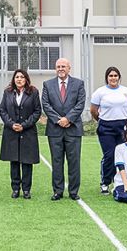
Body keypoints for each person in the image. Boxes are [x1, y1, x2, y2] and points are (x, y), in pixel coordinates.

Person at [41, 57, 86, 201]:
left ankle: (73, 191)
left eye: (63, 66)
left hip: (73, 129)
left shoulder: (78, 84)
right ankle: (58, 191)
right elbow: (45, 104)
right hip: (55, 130)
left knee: (74, 162)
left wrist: (68, 119)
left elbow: (80, 104)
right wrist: (58, 120)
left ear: (69, 68)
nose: (60, 69)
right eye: (58, 66)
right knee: (56, 161)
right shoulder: (47, 84)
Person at [0, 69, 41, 199]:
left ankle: (26, 189)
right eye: (17, 77)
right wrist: (11, 124)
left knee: (27, 162)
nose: (19, 79)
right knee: (14, 161)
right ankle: (15, 188)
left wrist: (24, 125)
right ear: (14, 79)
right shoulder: (7, 92)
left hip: (28, 132)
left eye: (22, 77)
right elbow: (2, 110)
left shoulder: (33, 92)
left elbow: (37, 111)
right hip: (11, 132)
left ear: (26, 79)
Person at [90, 66, 127, 194]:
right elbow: (93, 110)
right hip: (106, 128)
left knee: (123, 155)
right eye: (110, 76)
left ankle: (121, 181)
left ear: (119, 77)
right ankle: (105, 182)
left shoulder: (126, 91)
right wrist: (102, 120)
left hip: (123, 127)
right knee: (109, 155)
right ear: (107, 78)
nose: (113, 78)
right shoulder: (100, 92)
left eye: (115, 75)